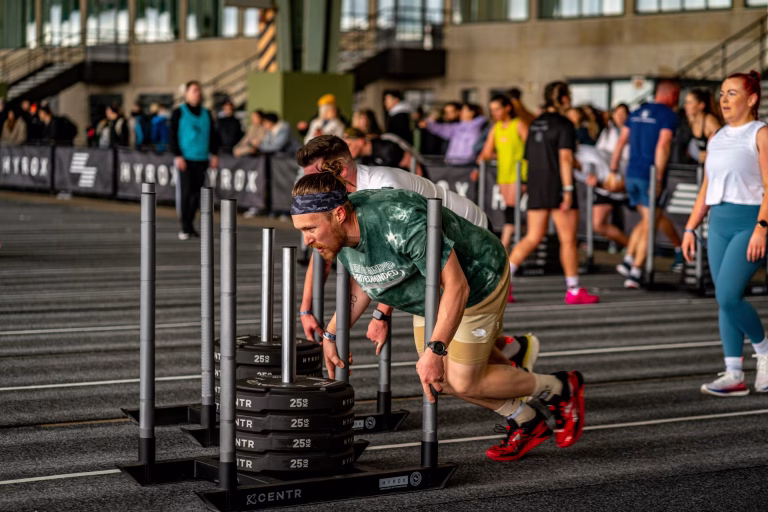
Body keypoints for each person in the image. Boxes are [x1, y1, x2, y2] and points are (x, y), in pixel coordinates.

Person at [291, 172, 585, 461]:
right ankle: (527, 420)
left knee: (464, 380)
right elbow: (366, 280)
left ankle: (559, 388)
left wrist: (436, 349)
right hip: (427, 294)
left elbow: (457, 287)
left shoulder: (399, 220)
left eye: (310, 229)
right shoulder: (336, 235)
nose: (306, 240)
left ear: (339, 214)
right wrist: (331, 334)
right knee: (440, 379)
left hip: (477, 282)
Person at [295, 134, 537, 376]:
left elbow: (391, 261)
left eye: (315, 178)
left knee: (458, 340)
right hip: (423, 246)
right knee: (458, 347)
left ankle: (528, 379)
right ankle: (514, 352)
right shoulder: (337, 203)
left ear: (341, 170)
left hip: (469, 238)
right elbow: (325, 252)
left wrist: (381, 314)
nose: (310, 188)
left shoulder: (382, 189)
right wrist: (305, 310)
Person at [682, 71, 768, 396]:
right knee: (725, 301)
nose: (724, 100)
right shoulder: (717, 136)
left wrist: (762, 228)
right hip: (718, 223)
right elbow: (706, 188)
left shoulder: (760, 134)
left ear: (752, 98)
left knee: (728, 295)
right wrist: (690, 227)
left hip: (750, 221)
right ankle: (734, 373)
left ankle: (764, 352)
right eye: (722, 94)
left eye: (732, 93)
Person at [507, 81, 599, 305]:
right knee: (567, 241)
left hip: (537, 185)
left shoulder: (536, 123)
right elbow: (564, 158)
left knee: (531, 238)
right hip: (558, 185)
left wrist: (576, 165)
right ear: (565, 99)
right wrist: (568, 190)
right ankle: (574, 290)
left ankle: (499, 287)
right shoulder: (565, 124)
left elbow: (537, 157)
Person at [611, 80, 682, 288]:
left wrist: (614, 169)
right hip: (649, 174)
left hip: (632, 172)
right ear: (670, 95)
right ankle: (636, 271)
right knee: (651, 223)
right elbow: (663, 145)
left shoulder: (636, 112)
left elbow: (621, 141)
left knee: (647, 219)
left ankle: (628, 259)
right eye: (677, 95)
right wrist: (658, 177)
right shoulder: (668, 115)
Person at [477, 95, 528, 259]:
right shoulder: (496, 128)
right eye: (492, 110)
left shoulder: (518, 124)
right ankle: (510, 245)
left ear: (508, 108)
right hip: (504, 175)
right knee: (510, 210)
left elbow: (533, 148)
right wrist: (479, 164)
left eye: (497, 109)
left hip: (520, 174)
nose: (494, 113)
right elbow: (486, 151)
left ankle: (504, 247)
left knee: (511, 210)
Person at [170, 80, 219, 240]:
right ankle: (184, 226)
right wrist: (177, 155)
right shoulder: (179, 112)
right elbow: (172, 135)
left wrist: (214, 153)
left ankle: (191, 225)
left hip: (202, 158)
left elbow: (212, 135)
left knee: (196, 195)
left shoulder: (206, 113)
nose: (198, 93)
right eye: (194, 90)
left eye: (199, 90)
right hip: (186, 158)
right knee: (185, 193)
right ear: (186, 94)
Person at [588, 103, 631, 247]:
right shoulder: (607, 132)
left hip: (626, 180)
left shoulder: (634, 132)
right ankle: (631, 246)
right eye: (617, 114)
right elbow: (596, 155)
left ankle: (636, 250)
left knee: (649, 217)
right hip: (606, 181)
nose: (620, 117)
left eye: (624, 114)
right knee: (598, 223)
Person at [419, 103, 486, 165]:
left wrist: (456, 162)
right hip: (452, 164)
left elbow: (471, 153)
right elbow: (444, 129)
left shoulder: (475, 131)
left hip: (463, 167)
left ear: (472, 113)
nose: (461, 113)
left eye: (463, 111)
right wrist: (429, 125)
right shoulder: (459, 127)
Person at [685, 88, 722, 165]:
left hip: (713, 165)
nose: (686, 106)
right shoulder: (692, 120)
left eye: (690, 102)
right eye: (686, 102)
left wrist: (711, 155)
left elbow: (723, 144)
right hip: (700, 166)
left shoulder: (709, 120)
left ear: (701, 105)